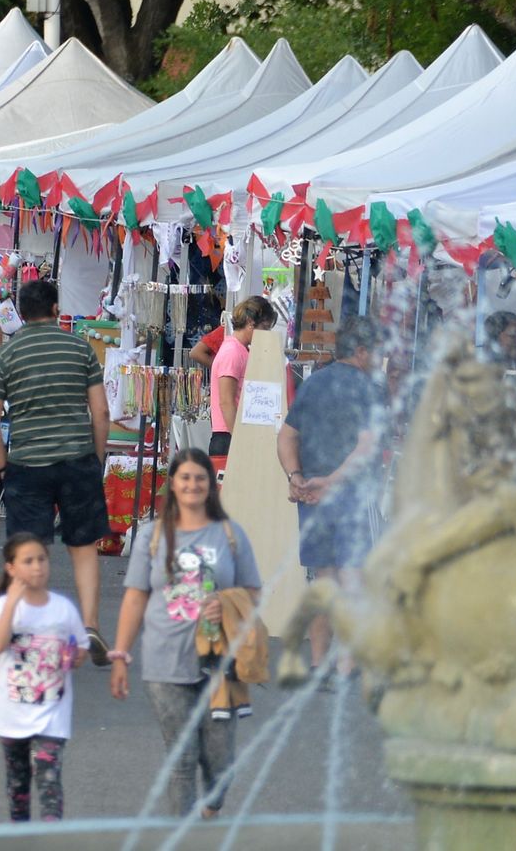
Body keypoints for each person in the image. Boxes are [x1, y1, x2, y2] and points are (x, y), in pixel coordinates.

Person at [108, 448, 262, 818]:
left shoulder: (229, 534)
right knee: (181, 756)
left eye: (200, 478)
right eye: (185, 478)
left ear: (210, 485)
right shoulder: (153, 536)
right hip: (164, 662)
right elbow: (135, 598)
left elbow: (254, 593)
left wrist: (226, 603)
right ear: (173, 485)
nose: (193, 485)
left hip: (220, 662)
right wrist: (120, 655)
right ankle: (186, 834)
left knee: (219, 756)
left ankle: (213, 802)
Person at [0, 280, 112, 665]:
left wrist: (4, 463)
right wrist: (97, 458)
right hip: (77, 461)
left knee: (29, 551)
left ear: (21, 313)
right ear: (56, 309)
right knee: (83, 546)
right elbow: (101, 413)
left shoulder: (8, 355)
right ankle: (88, 626)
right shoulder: (79, 348)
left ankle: (29, 630)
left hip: (27, 464)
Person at [276, 316, 385, 677]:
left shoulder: (313, 383)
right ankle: (347, 662)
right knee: (354, 577)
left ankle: (319, 660)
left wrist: (297, 478)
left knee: (323, 578)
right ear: (362, 351)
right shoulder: (367, 388)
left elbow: (286, 436)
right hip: (350, 496)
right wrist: (332, 481)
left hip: (312, 499)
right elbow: (366, 447)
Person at [0, 533, 88, 823]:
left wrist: (76, 656)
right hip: (12, 715)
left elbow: (81, 647)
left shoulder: (63, 608)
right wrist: (11, 603)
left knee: (49, 780)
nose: (37, 567)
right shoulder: (2, 608)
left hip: (52, 714)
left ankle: (48, 837)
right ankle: (22, 835)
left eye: (41, 559)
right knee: (17, 787)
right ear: (11, 568)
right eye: (27, 561)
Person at [207, 297, 278, 457]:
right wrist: (239, 439)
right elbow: (226, 402)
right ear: (250, 323)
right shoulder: (233, 352)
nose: (266, 334)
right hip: (228, 435)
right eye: (264, 328)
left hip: (233, 433)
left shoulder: (240, 350)